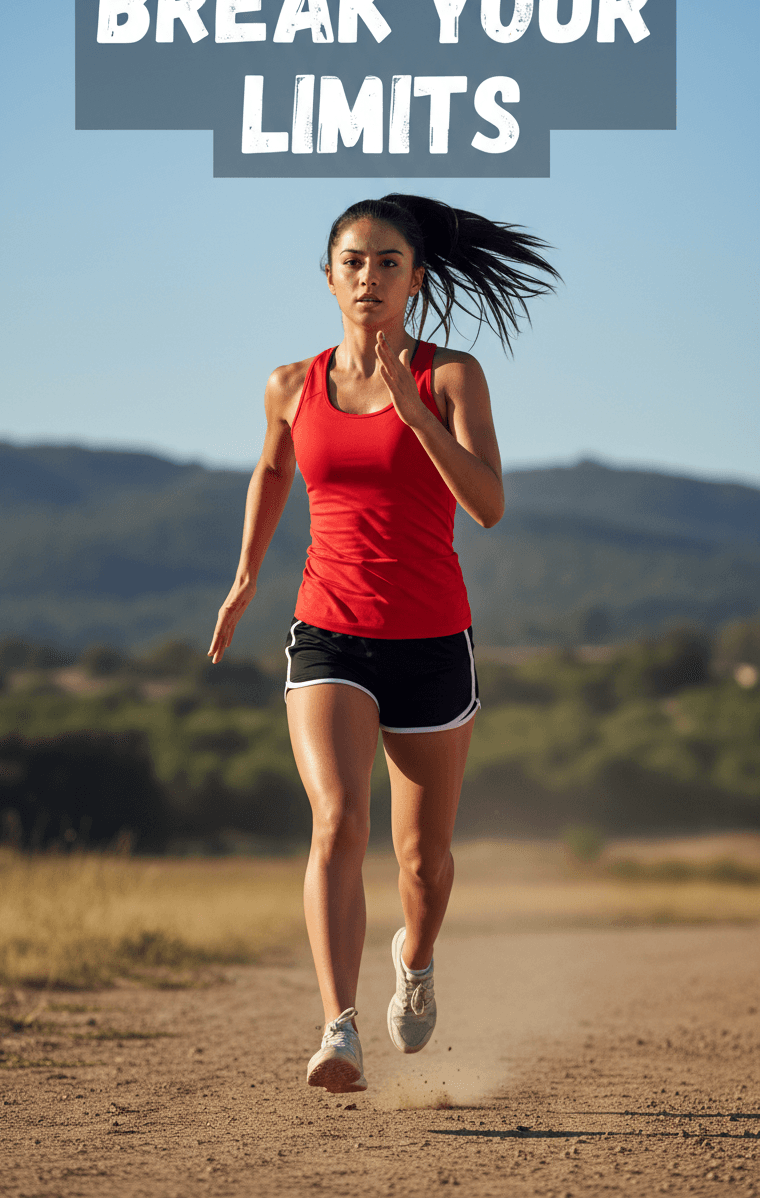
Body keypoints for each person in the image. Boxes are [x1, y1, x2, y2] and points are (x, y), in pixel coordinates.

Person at [208, 193, 559, 1094]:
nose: (370, 277)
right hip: (328, 631)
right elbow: (274, 464)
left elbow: (487, 506)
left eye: (388, 262)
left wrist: (414, 413)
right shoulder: (292, 382)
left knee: (422, 863)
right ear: (328, 277)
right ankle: (339, 1028)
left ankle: (418, 959)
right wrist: (248, 572)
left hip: (433, 640)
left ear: (417, 279)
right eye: (354, 261)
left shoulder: (451, 378)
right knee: (336, 820)